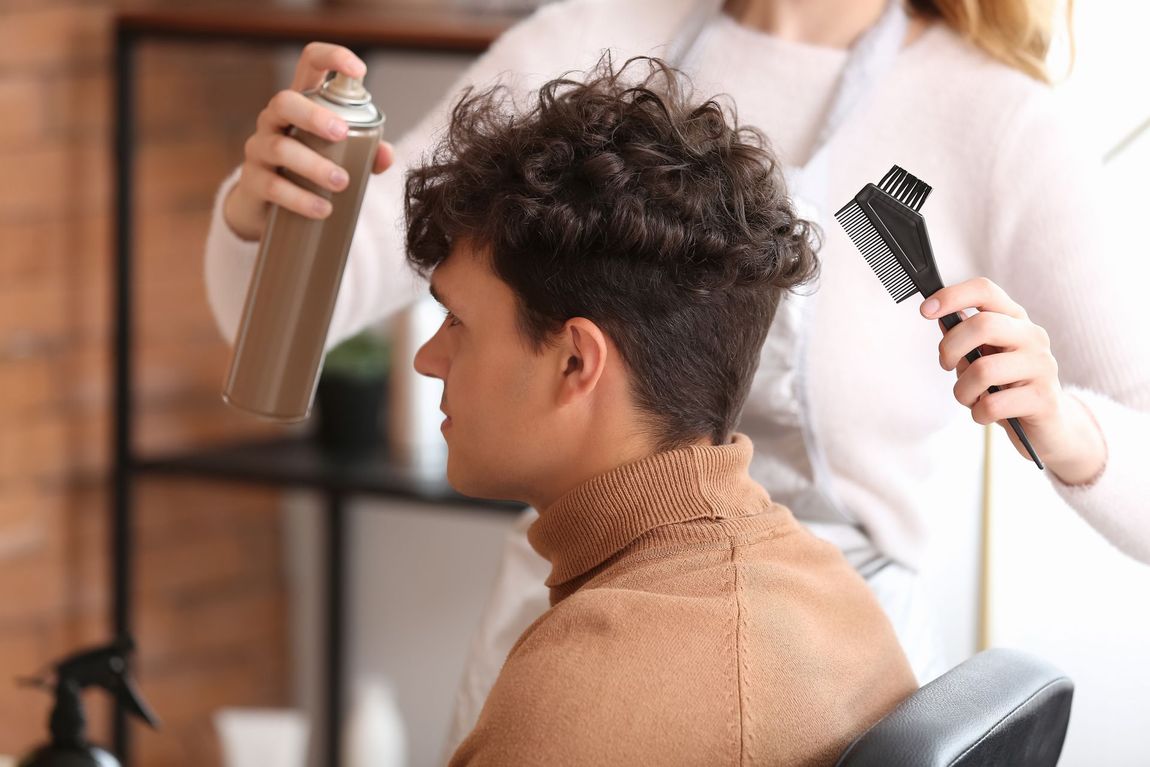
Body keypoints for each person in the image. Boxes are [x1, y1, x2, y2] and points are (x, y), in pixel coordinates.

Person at [203, 0, 1150, 756]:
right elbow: (309, 301)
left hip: (819, 669)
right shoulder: (592, 34)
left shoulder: (994, 116)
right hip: (576, 612)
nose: (431, 353)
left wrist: (1069, 427)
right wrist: (273, 210)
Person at [404, 53, 916, 764]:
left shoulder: (575, 706)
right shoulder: (826, 588)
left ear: (576, 362)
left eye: (457, 321)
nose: (427, 358)